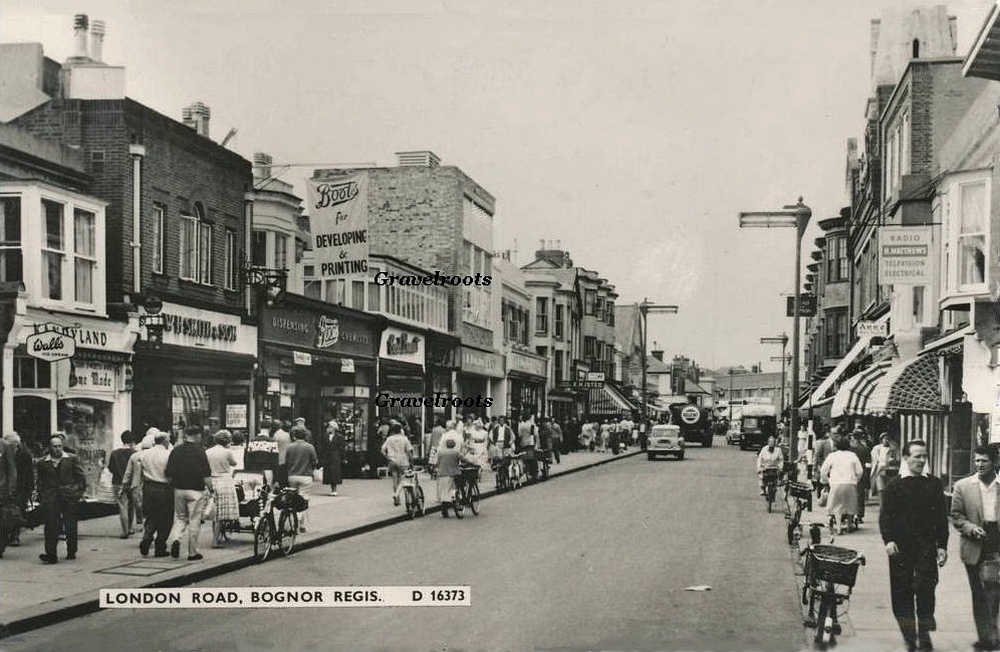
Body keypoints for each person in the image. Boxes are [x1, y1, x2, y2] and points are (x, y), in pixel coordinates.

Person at [880, 440, 949, 652]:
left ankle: (925, 632)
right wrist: (889, 540)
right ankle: (909, 637)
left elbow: (941, 518)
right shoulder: (894, 485)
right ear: (906, 458)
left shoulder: (934, 484)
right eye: (916, 456)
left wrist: (942, 546)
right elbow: (886, 517)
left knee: (926, 587)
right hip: (900, 547)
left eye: (924, 456)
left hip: (926, 546)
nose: (921, 460)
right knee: (902, 592)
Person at [951, 446, 1000, 650]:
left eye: (984, 461)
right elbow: (956, 515)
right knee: (978, 593)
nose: (979, 465)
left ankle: (991, 634)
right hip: (974, 543)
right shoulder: (963, 486)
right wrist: (971, 528)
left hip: (996, 540)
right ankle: (985, 636)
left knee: (994, 590)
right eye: (977, 461)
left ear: (995, 462)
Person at [35, 435, 86, 564]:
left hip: (68, 496)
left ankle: (71, 550)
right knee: (50, 525)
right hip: (51, 497)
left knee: (70, 524)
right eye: (55, 446)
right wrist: (42, 495)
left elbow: (81, 479)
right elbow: (40, 481)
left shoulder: (71, 459)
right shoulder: (42, 462)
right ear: (50, 447)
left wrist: (76, 492)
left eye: (59, 446)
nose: (57, 449)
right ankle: (51, 554)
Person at [165, 426, 213, 561]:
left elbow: (168, 474)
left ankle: (175, 539)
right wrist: (212, 489)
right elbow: (206, 474)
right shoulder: (200, 452)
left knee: (180, 518)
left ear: (186, 435)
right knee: (194, 521)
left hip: (179, 489)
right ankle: (192, 552)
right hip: (196, 491)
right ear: (198, 436)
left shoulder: (176, 450)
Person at [134, 429, 173, 557]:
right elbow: (170, 473)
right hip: (164, 488)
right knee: (165, 518)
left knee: (151, 517)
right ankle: (160, 546)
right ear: (166, 441)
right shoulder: (168, 455)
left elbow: (138, 468)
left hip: (149, 488)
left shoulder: (144, 454)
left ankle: (146, 538)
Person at [819, 436, 863, 534]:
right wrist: (856, 480)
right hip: (850, 484)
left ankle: (838, 527)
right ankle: (849, 525)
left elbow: (823, 470)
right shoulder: (853, 455)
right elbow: (860, 471)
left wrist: (826, 480)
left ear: (837, 446)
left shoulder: (832, 456)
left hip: (836, 484)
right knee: (850, 506)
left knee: (837, 507)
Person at [205, 430, 239, 548]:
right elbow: (234, 463)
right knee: (220, 514)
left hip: (211, 480)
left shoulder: (208, 452)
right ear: (227, 440)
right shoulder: (227, 452)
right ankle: (215, 541)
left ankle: (216, 537)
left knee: (214, 511)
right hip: (224, 481)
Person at [286, 428, 318, 532]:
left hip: (292, 475)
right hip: (306, 476)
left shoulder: (290, 447)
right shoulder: (310, 447)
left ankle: (297, 522)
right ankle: (300, 523)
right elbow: (314, 461)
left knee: (293, 500)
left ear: (295, 436)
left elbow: (287, 461)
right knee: (304, 500)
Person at [107, 430, 137, 538]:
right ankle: (130, 528)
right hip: (132, 483)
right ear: (132, 440)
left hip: (118, 483)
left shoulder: (114, 453)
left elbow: (110, 468)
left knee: (122, 506)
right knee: (131, 506)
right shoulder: (135, 453)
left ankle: (125, 531)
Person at [381, 423, 413, 507]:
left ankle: (397, 497)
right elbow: (409, 451)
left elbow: (383, 449)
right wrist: (411, 461)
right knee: (402, 479)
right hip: (403, 461)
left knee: (394, 479)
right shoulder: (404, 439)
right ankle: (396, 495)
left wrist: (387, 457)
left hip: (392, 460)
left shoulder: (389, 439)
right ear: (400, 430)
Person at [850, 431, 873, 523]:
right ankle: (859, 515)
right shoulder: (865, 449)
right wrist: (867, 473)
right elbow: (868, 463)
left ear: (853, 438)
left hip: (850, 473)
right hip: (862, 473)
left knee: (851, 493)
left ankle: (850, 513)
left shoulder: (850, 449)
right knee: (860, 494)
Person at [871, 433, 901, 499]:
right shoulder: (877, 448)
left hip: (890, 471)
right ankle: (881, 507)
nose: (886, 440)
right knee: (881, 490)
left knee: (889, 491)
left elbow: (898, 459)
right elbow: (875, 460)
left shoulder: (894, 448)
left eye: (888, 439)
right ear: (881, 440)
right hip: (880, 472)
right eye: (884, 439)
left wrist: (893, 460)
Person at [322, 419, 344, 496]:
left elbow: (341, 447)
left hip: (335, 455)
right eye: (328, 427)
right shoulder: (325, 436)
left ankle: (334, 489)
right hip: (328, 455)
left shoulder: (339, 437)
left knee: (335, 472)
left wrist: (343, 457)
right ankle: (331, 487)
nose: (329, 428)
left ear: (334, 428)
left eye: (330, 427)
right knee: (329, 471)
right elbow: (323, 446)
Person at [272, 419, 291, 488]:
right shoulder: (287, 435)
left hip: (279, 458)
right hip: (286, 459)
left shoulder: (275, 435)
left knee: (280, 478)